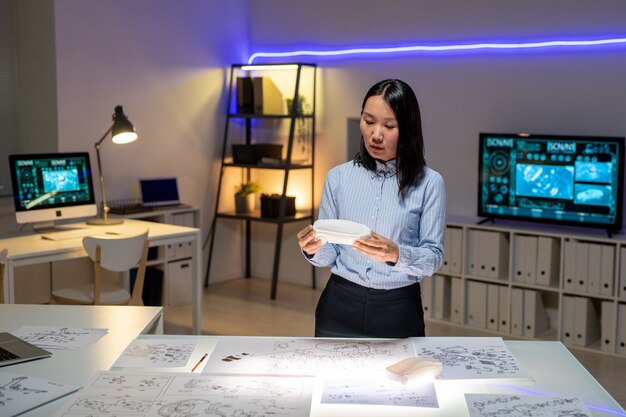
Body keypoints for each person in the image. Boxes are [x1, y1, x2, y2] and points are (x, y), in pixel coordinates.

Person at [297, 79, 446, 338]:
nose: (376, 135)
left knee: (399, 379)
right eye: (368, 121)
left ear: (408, 129)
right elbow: (330, 254)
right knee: (333, 378)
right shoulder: (338, 177)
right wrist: (312, 249)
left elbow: (432, 258)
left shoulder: (430, 183)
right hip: (339, 304)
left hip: (398, 308)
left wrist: (396, 254)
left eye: (389, 126)